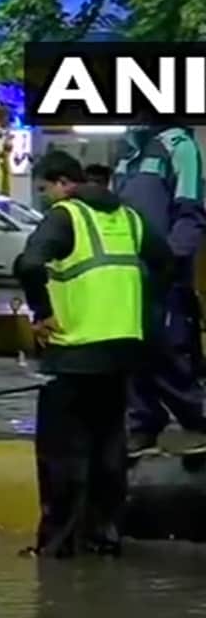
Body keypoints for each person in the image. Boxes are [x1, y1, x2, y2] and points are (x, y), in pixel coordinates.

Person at [14, 151, 172, 558]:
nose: (44, 197)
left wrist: (42, 313)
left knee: (61, 454)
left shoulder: (65, 216)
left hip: (74, 352)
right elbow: (165, 263)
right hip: (122, 350)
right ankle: (104, 537)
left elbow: (29, 264)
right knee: (108, 448)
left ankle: (58, 545)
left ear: (64, 183)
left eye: (45, 188)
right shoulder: (130, 218)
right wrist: (140, 310)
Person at [114, 125, 206, 456]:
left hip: (165, 271)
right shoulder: (128, 150)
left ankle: (197, 421)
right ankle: (143, 424)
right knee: (132, 349)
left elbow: (190, 211)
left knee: (170, 348)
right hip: (129, 270)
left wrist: (171, 259)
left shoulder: (179, 146)